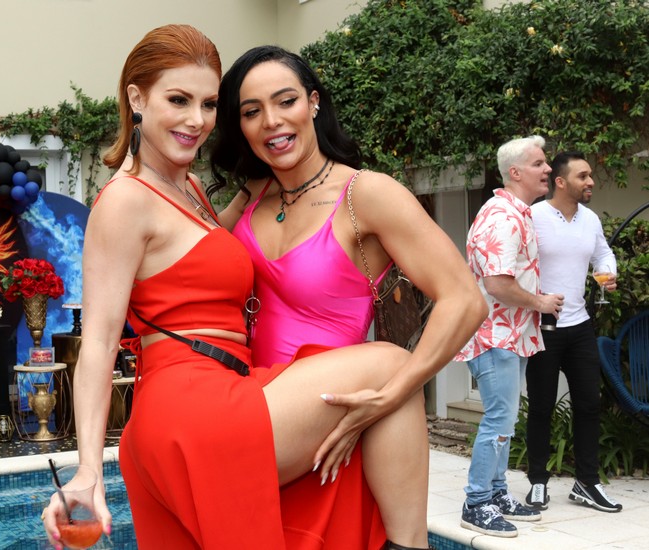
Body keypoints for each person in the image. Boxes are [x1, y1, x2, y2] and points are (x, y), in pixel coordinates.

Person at [41, 25, 479, 550]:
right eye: (179, 100)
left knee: (389, 386)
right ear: (136, 99)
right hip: (199, 403)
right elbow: (99, 341)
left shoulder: (194, 190)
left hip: (254, 394)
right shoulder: (126, 199)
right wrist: (88, 468)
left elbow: (201, 259)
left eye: (208, 105)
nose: (196, 120)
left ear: (313, 102)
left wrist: (256, 191)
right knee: (389, 364)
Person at [209, 45, 487, 548]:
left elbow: (465, 300)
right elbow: (197, 260)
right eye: (252, 111)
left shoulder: (365, 194)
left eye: (286, 101)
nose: (272, 121)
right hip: (257, 405)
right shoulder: (254, 196)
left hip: (328, 408)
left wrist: (393, 393)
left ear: (314, 102)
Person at [454, 135, 564, 537]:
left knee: (505, 419)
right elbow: (498, 284)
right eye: (538, 164)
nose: (548, 169)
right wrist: (541, 302)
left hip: (507, 335)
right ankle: (477, 502)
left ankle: (497, 493)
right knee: (499, 419)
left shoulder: (516, 213)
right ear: (515, 172)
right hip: (494, 335)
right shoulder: (503, 217)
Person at [526, 151, 622, 513]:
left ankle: (587, 482)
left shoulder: (590, 219)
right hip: (544, 326)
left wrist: (608, 272)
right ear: (561, 182)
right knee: (541, 406)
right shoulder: (534, 216)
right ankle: (538, 481)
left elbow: (603, 255)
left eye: (591, 175)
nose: (591, 181)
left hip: (579, 325)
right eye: (583, 176)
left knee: (589, 405)